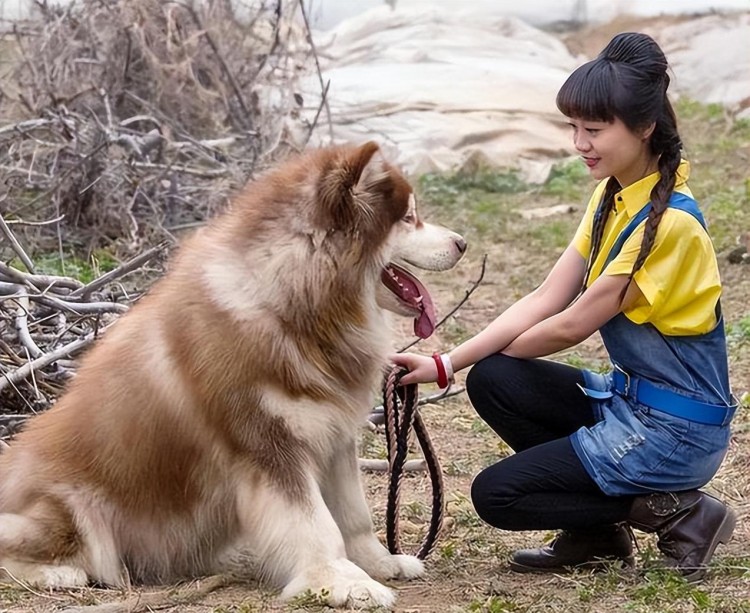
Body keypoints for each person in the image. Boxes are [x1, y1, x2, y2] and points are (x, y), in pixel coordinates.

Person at [390, 32, 738, 582]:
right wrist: (447, 364)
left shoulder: (669, 226)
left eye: (594, 130)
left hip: (675, 433)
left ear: (645, 127)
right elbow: (548, 296)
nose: (579, 142)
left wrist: (474, 355)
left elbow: (571, 324)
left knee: (497, 495)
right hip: (635, 408)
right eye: (573, 127)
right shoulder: (612, 197)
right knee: (496, 377)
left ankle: (680, 512)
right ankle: (596, 536)